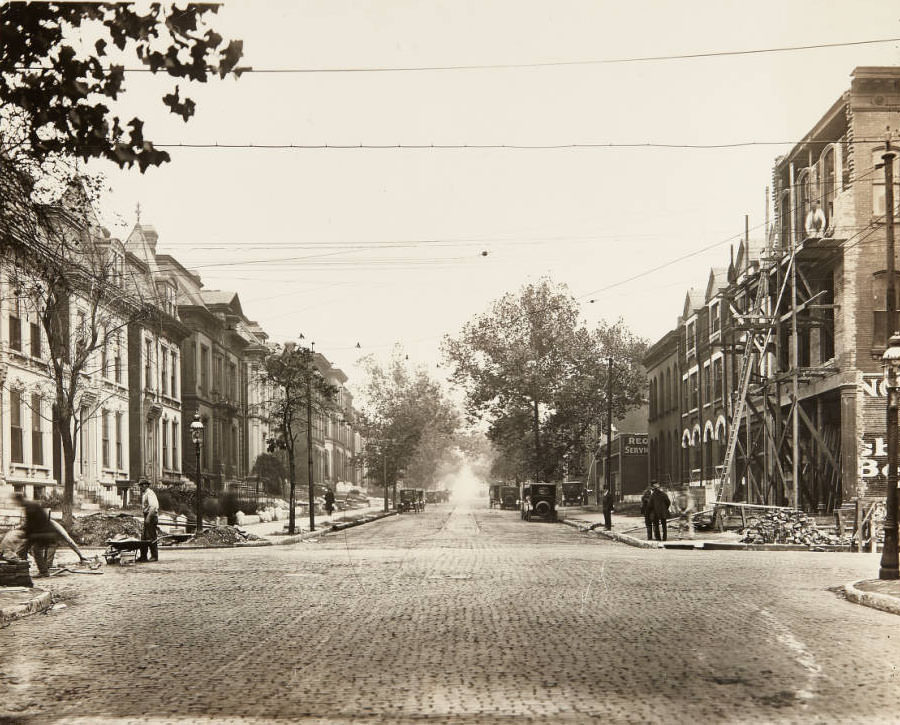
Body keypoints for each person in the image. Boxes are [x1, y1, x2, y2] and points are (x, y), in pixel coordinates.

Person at [12, 493, 60, 576]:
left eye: (16, 502)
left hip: (42, 533)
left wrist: (24, 534)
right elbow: (31, 523)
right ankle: (24, 568)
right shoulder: (31, 505)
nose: (17, 504)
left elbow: (31, 523)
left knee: (33, 550)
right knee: (26, 549)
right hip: (41, 532)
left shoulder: (30, 507)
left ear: (19, 500)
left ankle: (41, 571)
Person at [137, 478, 159, 562]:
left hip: (151, 517)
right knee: (144, 537)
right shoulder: (145, 493)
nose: (140, 488)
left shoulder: (150, 493)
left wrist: (148, 519)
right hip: (147, 516)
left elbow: (153, 507)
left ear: (145, 485)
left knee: (151, 537)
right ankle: (143, 556)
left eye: (141, 486)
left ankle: (154, 556)